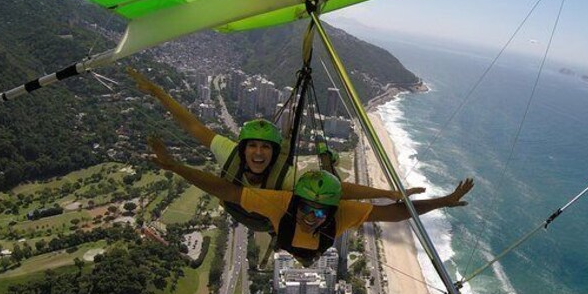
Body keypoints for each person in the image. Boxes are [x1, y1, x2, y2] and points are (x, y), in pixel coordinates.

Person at [128, 68, 425, 229]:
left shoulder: (287, 178)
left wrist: (390, 195)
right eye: (252, 147)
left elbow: (339, 189)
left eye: (265, 148)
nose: (258, 153)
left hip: (263, 219)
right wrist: (157, 92)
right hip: (236, 207)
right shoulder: (229, 152)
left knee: (320, 205)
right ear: (243, 149)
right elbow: (193, 126)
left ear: (273, 152)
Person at [149, 137, 473, 265]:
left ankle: (326, 165)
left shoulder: (340, 213)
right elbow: (227, 191)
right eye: (306, 207)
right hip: (282, 231)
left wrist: (444, 201)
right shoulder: (283, 203)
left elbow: (398, 213)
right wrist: (174, 166)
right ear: (295, 202)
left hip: (311, 237)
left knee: (333, 187)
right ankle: (326, 165)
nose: (311, 215)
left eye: (319, 211)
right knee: (312, 199)